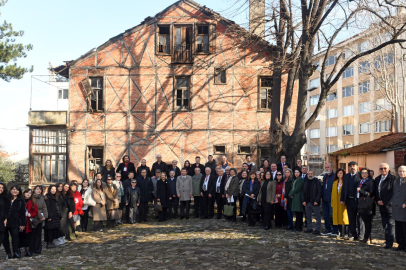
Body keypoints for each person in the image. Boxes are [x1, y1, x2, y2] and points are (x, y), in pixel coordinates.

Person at [374, 163, 396, 248]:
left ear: (388, 169)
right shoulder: (377, 179)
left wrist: (384, 201)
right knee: (384, 224)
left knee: (390, 224)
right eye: (381, 169)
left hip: (389, 205)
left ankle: (389, 243)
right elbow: (375, 191)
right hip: (381, 206)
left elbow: (392, 192)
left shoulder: (393, 178)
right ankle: (387, 240)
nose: (383, 170)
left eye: (385, 168)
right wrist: (377, 201)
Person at [341, 161, 361, 241]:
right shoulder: (346, 176)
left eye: (353, 166)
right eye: (350, 166)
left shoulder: (360, 175)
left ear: (357, 167)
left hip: (357, 200)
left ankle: (361, 234)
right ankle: (353, 234)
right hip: (349, 200)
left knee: (359, 219)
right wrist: (342, 199)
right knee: (351, 218)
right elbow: (344, 188)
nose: (352, 167)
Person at [3, 185, 25, 259]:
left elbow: (22, 213)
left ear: (19, 191)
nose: (15, 191)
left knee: (15, 237)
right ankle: (8, 253)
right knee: (5, 238)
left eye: (17, 190)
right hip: (4, 222)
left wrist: (22, 224)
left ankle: (16, 252)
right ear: (10, 190)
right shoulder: (6, 199)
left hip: (15, 222)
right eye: (13, 189)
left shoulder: (21, 200)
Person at [302, 170, 322, 235]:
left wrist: (317, 200)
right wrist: (303, 200)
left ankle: (317, 229)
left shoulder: (317, 181)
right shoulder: (305, 181)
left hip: (315, 202)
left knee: (317, 216)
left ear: (314, 174)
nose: (310, 175)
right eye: (309, 174)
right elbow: (303, 192)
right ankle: (309, 228)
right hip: (307, 202)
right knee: (308, 216)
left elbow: (319, 192)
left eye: (311, 174)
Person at [357, 168, 375, 244]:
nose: (364, 174)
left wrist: (361, 191)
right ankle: (365, 237)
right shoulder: (360, 181)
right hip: (360, 203)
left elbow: (370, 194)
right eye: (362, 173)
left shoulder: (370, 182)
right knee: (362, 221)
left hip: (367, 205)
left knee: (367, 222)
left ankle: (366, 238)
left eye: (365, 173)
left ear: (368, 174)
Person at [331, 169, 349, 238]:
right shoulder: (335, 182)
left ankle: (346, 233)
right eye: (338, 173)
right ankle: (340, 232)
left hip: (343, 202)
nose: (339, 175)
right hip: (336, 203)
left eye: (341, 173)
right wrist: (332, 203)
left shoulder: (345, 182)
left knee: (345, 218)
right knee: (337, 217)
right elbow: (332, 194)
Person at [392, 166, 406, 251]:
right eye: (400, 171)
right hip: (397, 208)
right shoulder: (396, 181)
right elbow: (394, 193)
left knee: (405, 228)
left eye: (404, 171)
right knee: (398, 228)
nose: (402, 173)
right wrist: (392, 201)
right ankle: (401, 244)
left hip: (404, 208)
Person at [31, 185, 48, 254]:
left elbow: (44, 207)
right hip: (34, 218)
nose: (38, 190)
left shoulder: (42, 198)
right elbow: (34, 209)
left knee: (38, 234)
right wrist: (41, 217)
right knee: (32, 234)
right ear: (34, 190)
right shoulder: (31, 198)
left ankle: (38, 249)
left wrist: (45, 216)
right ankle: (32, 248)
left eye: (40, 189)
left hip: (41, 218)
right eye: (37, 189)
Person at [19, 189, 36, 257]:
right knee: (19, 236)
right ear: (24, 193)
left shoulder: (32, 202)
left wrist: (31, 214)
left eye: (30, 193)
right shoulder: (20, 200)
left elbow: (35, 211)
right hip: (19, 221)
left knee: (27, 236)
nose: (28, 194)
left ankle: (27, 250)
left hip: (28, 222)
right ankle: (18, 250)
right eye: (27, 193)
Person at [320, 163, 335, 235]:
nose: (327, 168)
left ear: (331, 168)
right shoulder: (325, 176)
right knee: (325, 215)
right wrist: (322, 197)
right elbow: (323, 188)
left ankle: (335, 230)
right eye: (325, 167)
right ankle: (328, 229)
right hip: (325, 199)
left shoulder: (335, 177)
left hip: (332, 200)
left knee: (333, 215)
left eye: (328, 167)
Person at [0, 183, 8, 254]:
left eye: (2, 188)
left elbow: (5, 209)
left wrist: (5, 219)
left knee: (1, 237)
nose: (1, 189)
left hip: (1, 220)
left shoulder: (3, 198)